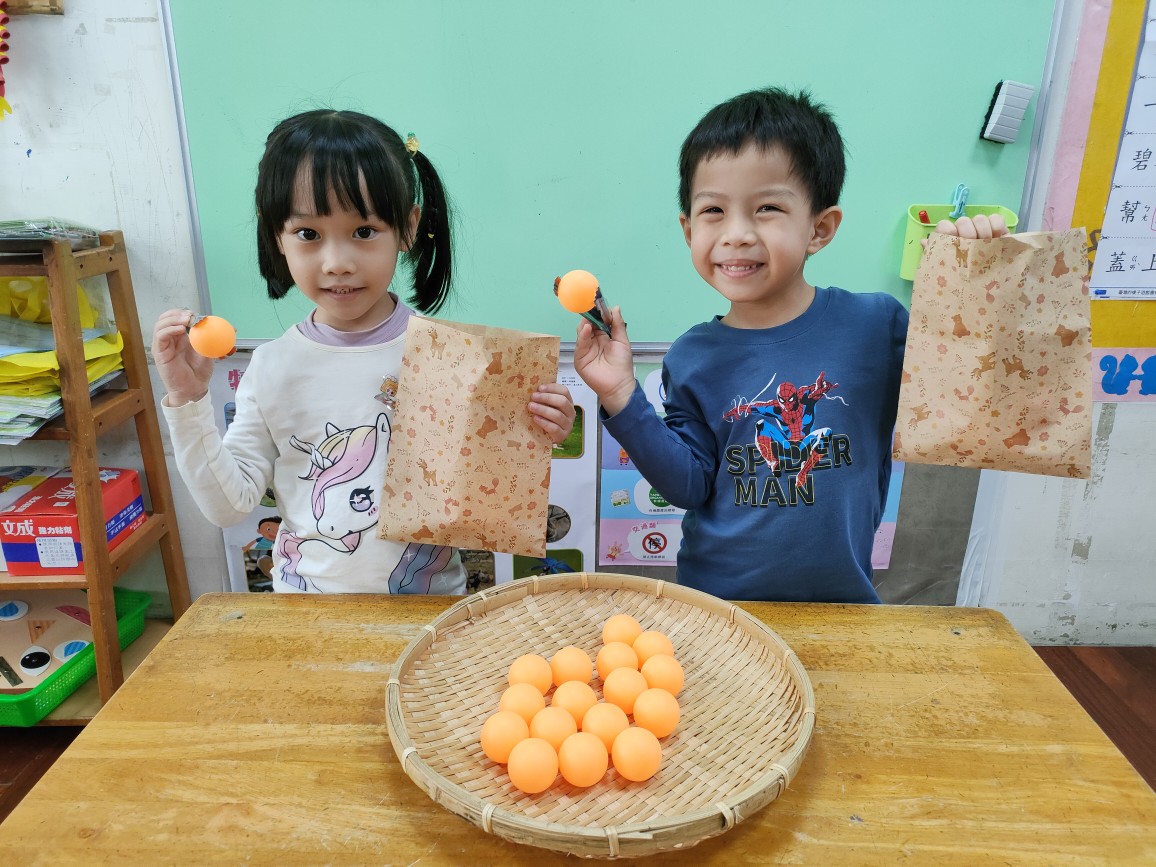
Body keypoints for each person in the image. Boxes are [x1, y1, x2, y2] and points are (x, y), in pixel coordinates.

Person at [573, 87, 1006, 603]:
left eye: (767, 208)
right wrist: (620, 393)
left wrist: (973, 287)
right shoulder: (691, 355)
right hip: (718, 607)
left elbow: (967, 406)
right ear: (688, 230)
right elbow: (689, 486)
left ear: (819, 229)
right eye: (713, 210)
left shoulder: (876, 326)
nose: (736, 234)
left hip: (842, 605)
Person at [153, 109, 575, 594]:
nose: (337, 263)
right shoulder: (272, 367)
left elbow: (486, 482)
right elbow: (228, 506)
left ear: (408, 227)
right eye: (308, 234)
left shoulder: (453, 357)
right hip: (307, 612)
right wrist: (188, 403)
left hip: (430, 609)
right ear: (277, 237)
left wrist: (537, 428)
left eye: (364, 231)